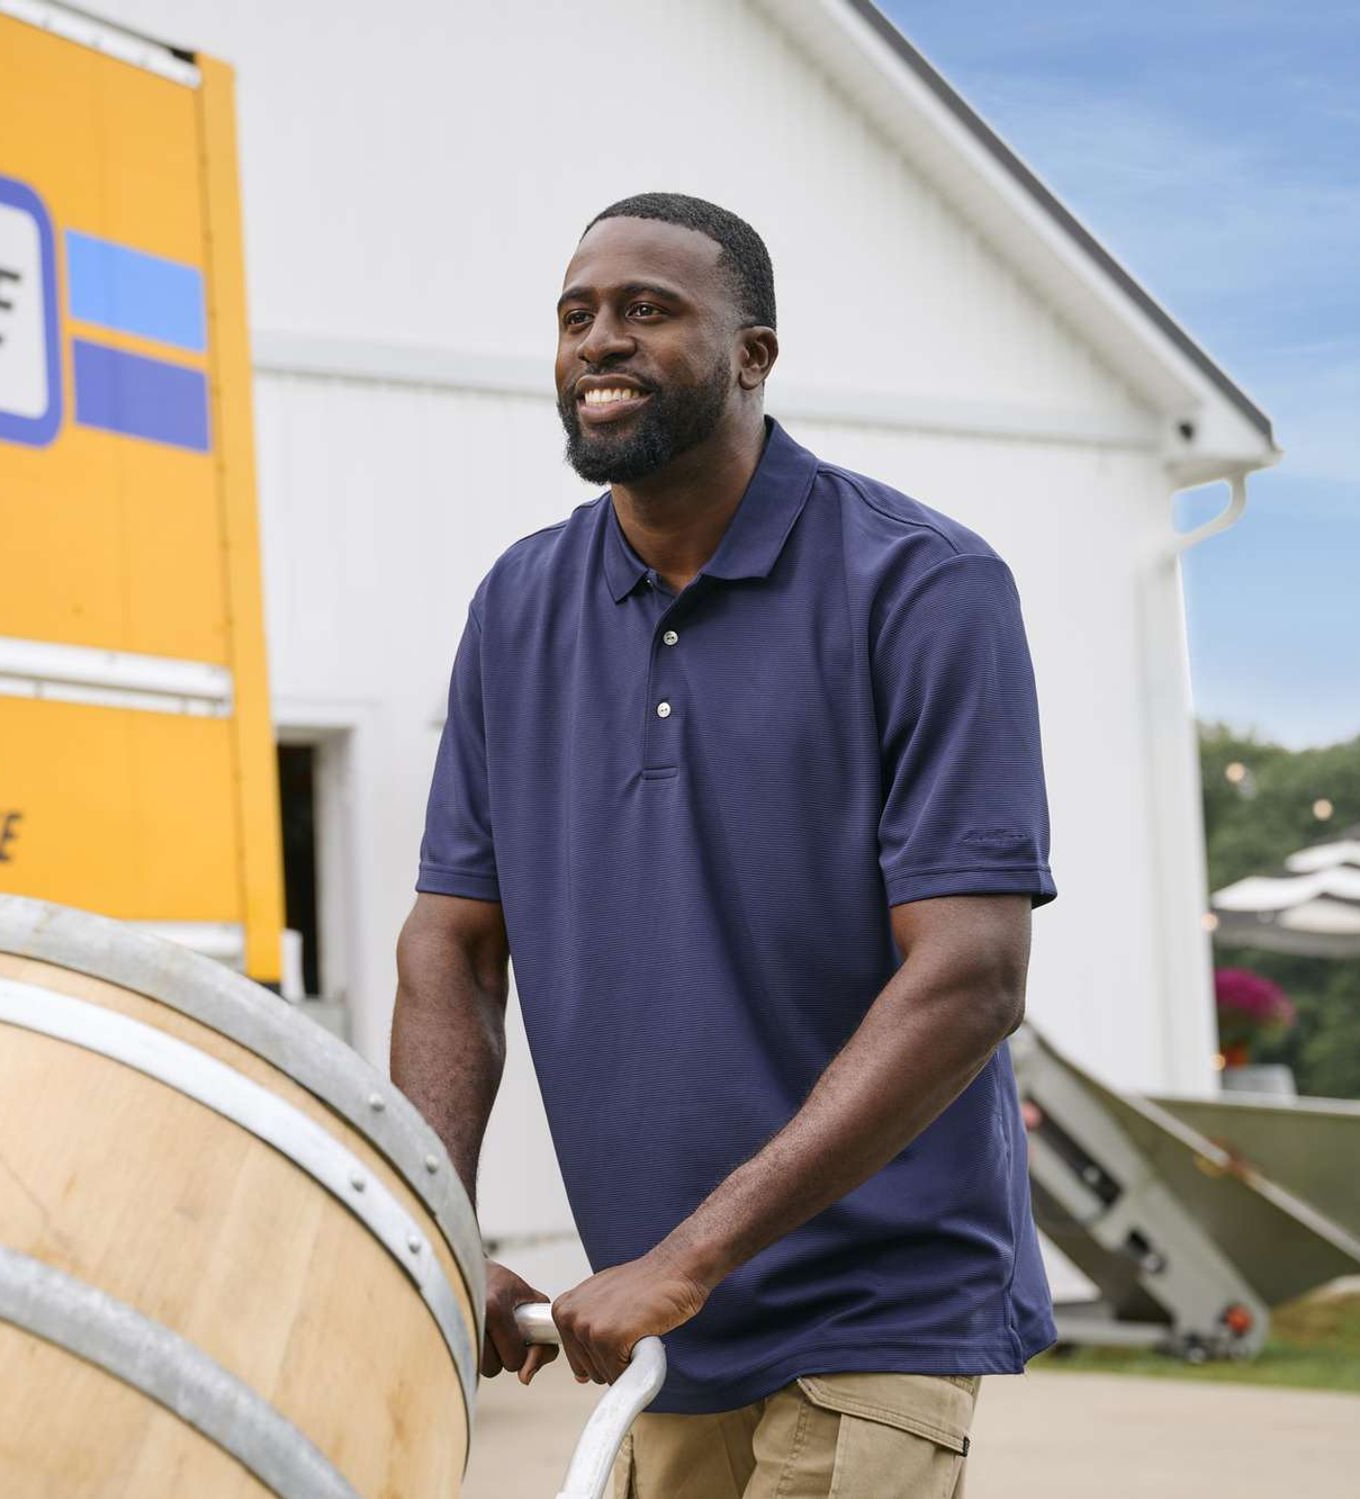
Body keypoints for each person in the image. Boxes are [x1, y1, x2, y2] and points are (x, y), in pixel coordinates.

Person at [391, 191, 1057, 1498]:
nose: (601, 341)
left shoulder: (921, 586)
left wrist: (691, 1255)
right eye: (578, 315)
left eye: (649, 311)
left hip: (872, 1309)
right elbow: (452, 945)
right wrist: (438, 1225)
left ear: (753, 355)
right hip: (657, 1337)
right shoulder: (519, 607)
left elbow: (973, 976)